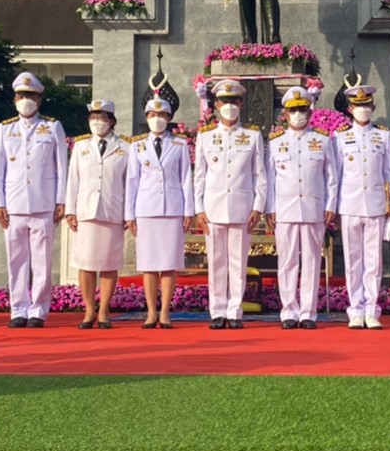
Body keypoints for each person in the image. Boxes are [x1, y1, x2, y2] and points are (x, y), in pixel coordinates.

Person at [0, 72, 67, 327]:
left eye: (31, 96)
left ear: (39, 99)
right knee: (16, 260)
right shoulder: (5, 128)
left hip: (43, 203)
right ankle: (18, 310)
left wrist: (61, 200)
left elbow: (61, 168)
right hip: (14, 203)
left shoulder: (52, 126)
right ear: (14, 99)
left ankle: (38, 311)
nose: (26, 100)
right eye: (22, 96)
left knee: (42, 260)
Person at [193, 78, 266, 328]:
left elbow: (260, 175)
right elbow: (199, 175)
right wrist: (198, 209)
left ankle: (235, 310)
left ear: (241, 103)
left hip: (242, 207)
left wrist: (258, 207)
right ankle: (217, 311)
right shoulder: (205, 136)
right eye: (224, 101)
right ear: (215, 104)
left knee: (238, 262)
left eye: (234, 101)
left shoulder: (253, 136)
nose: (229, 105)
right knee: (216, 262)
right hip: (213, 208)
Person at [266, 86, 340, 329]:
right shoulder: (276, 142)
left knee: (311, 262)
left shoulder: (321, 139)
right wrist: (270, 208)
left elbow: (332, 176)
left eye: (302, 110)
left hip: (313, 208)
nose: (298, 114)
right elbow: (270, 177)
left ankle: (308, 312)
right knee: (287, 262)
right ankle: (288, 310)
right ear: (285, 114)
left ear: (310, 112)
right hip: (285, 209)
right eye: (293, 110)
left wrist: (330, 205)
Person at [125, 96, 193, 329]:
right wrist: (129, 214)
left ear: (169, 118)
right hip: (146, 209)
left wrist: (188, 211)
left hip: (172, 208)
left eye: (162, 115)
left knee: (169, 262)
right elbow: (132, 181)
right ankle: (151, 312)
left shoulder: (179, 145)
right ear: (147, 118)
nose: (157, 119)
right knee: (149, 263)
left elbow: (186, 179)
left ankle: (165, 311)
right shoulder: (137, 146)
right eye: (153, 116)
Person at [65, 98, 129, 329]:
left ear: (111, 121)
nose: (97, 122)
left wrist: (128, 213)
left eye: (101, 118)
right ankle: (89, 309)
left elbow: (128, 184)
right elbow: (73, 179)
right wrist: (70, 209)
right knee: (86, 262)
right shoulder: (81, 146)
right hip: (86, 210)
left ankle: (104, 310)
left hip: (112, 210)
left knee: (109, 263)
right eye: (93, 118)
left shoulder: (125, 147)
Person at [332, 84, 390, 329]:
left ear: (373, 107)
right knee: (353, 261)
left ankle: (371, 310)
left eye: (366, 105)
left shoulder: (384, 136)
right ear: (350, 108)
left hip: (376, 205)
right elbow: (334, 175)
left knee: (374, 262)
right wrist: (333, 208)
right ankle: (355, 309)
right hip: (349, 205)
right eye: (358, 106)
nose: (362, 109)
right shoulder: (341, 137)